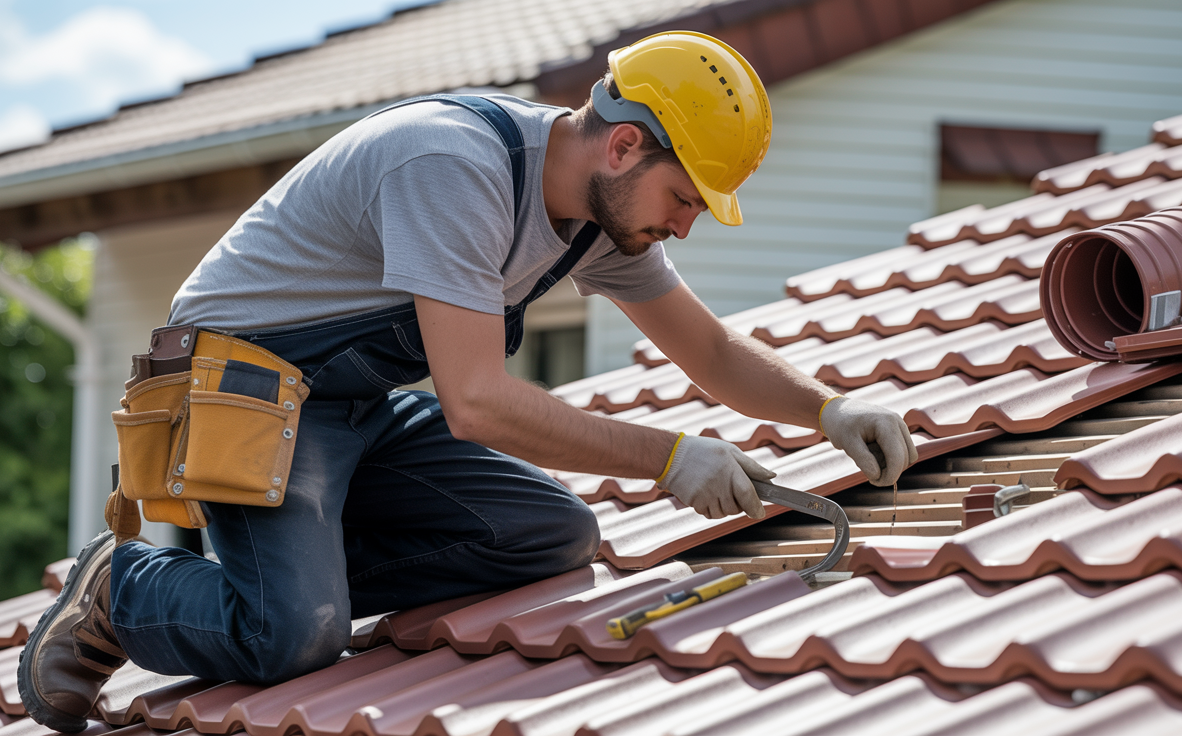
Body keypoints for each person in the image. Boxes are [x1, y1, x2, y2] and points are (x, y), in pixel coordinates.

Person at [18, 31, 916, 732]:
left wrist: (829, 408)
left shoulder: (599, 223)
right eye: (684, 199)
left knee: (548, 535)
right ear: (626, 147)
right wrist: (672, 457)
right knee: (292, 637)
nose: (684, 226)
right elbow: (477, 401)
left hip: (350, 409)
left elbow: (711, 354)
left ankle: (304, 568)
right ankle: (119, 588)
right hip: (246, 397)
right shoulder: (453, 166)